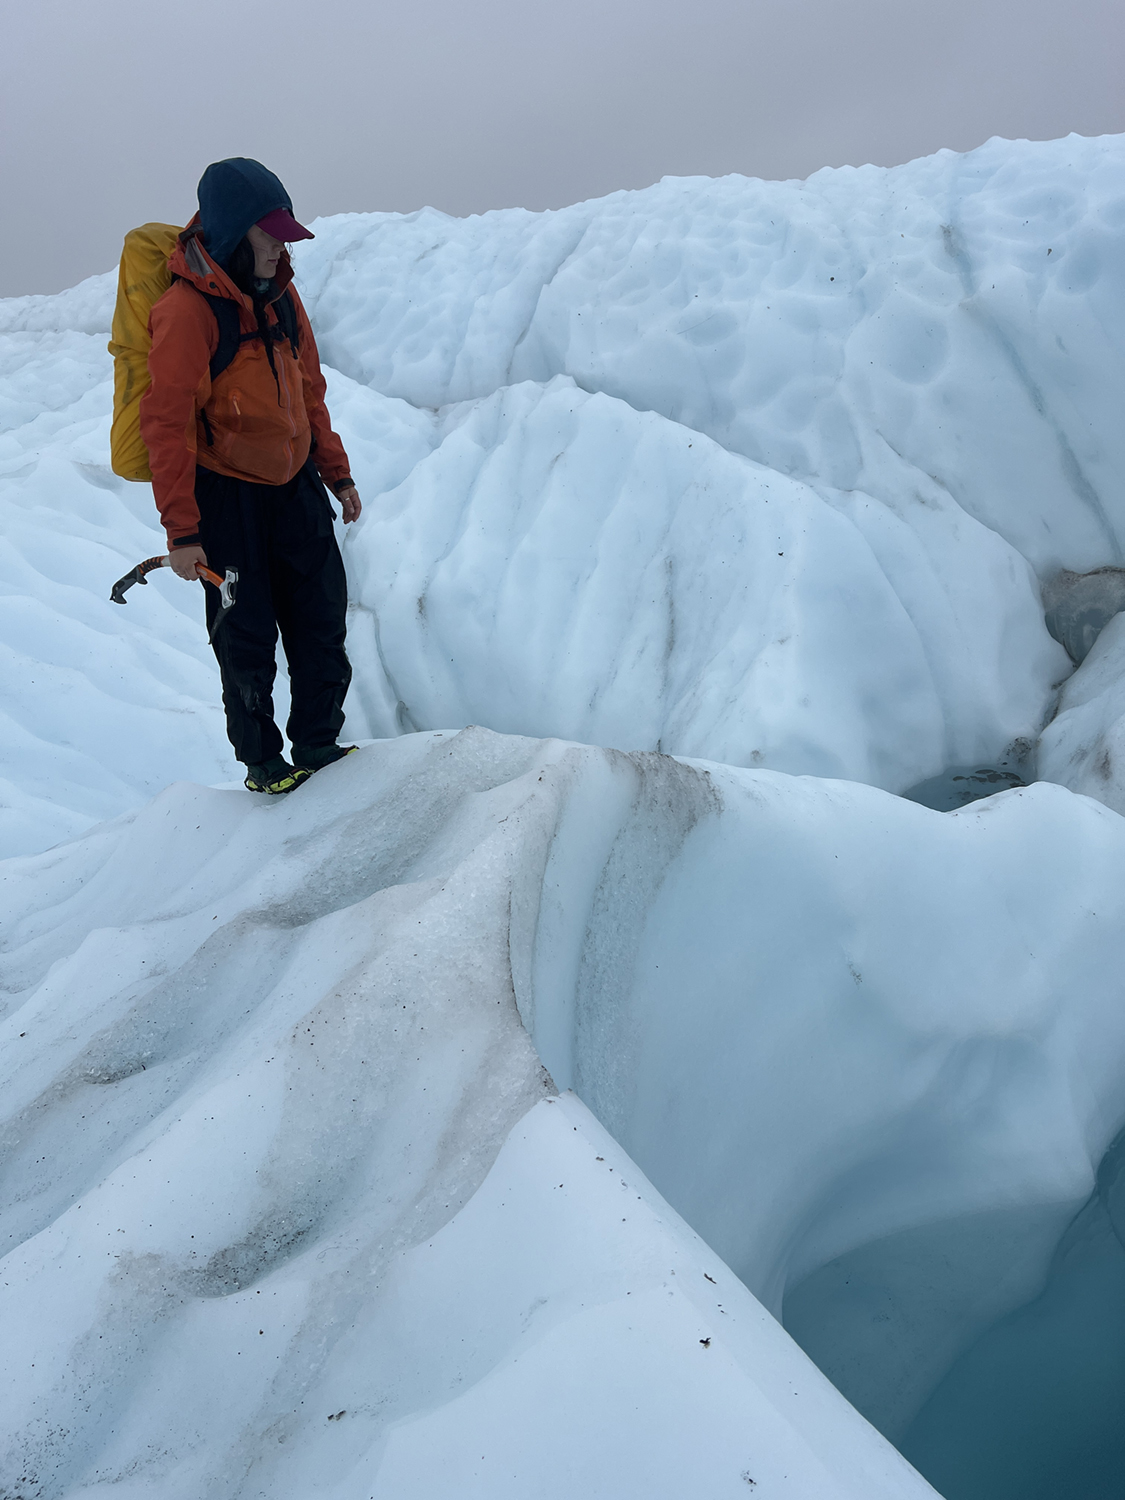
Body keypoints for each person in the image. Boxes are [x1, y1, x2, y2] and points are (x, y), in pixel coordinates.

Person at [139, 157, 361, 795]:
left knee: (321, 619)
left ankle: (318, 742)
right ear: (236, 234)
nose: (283, 249)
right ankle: (264, 764)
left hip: (295, 488)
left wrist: (337, 475)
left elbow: (309, 392)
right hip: (227, 497)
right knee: (246, 635)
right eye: (272, 236)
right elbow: (167, 424)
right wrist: (183, 532)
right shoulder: (188, 313)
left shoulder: (282, 297)